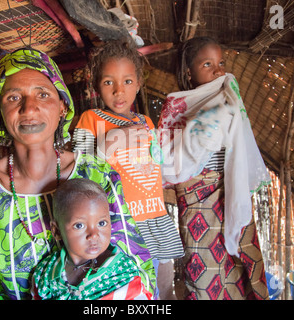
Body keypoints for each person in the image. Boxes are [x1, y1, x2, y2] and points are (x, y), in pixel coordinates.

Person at [0, 48, 155, 300]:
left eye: (42, 94)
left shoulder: (96, 174)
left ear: (63, 106)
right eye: (13, 98)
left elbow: (135, 262)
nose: (29, 109)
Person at [157, 37, 271, 300]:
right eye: (207, 64)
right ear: (189, 72)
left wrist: (217, 117)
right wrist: (204, 125)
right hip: (196, 197)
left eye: (220, 63)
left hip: (228, 189)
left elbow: (237, 146)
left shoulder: (229, 97)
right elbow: (168, 159)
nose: (218, 71)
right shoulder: (177, 105)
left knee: (237, 260)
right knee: (203, 266)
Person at [72, 39, 184, 299]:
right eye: (109, 82)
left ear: (139, 83)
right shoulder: (90, 120)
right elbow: (80, 172)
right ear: (97, 86)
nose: (118, 91)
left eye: (127, 81)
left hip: (153, 218)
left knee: (161, 289)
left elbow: (154, 168)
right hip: (120, 223)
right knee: (129, 290)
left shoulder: (145, 122)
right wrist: (107, 145)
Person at [32, 179, 152, 300]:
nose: (94, 235)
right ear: (57, 231)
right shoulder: (46, 272)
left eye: (102, 223)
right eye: (79, 225)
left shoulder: (123, 272)